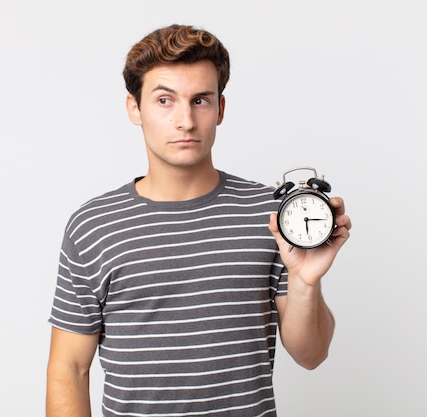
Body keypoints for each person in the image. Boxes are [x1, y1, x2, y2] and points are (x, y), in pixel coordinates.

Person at [46, 24, 351, 417]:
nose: (185, 121)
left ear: (220, 109)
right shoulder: (93, 226)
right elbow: (69, 368)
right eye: (164, 100)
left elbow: (312, 355)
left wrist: (306, 281)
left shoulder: (272, 215)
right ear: (134, 108)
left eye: (200, 101)